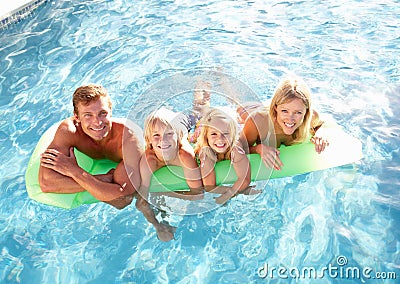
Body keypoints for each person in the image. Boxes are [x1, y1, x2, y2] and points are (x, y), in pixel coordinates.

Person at [39, 84, 174, 241]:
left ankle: (159, 223)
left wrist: (74, 171)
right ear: (76, 116)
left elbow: (122, 199)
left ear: (111, 111)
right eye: (88, 115)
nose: (97, 123)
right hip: (104, 173)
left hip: (133, 160)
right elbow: (46, 183)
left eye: (102, 113)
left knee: (138, 196)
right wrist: (101, 179)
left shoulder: (128, 136)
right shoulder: (69, 131)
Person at [240, 77, 329, 170]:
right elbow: (239, 149)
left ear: (306, 112)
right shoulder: (257, 121)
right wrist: (259, 148)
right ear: (276, 108)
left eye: (298, 112)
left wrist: (320, 133)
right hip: (248, 111)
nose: (290, 119)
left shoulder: (311, 117)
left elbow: (322, 124)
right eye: (284, 111)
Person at [140, 107, 203, 194]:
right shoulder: (149, 159)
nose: (163, 140)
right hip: (175, 123)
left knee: (200, 112)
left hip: (185, 121)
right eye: (156, 135)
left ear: (177, 136)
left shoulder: (184, 155)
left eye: (169, 134)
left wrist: (168, 195)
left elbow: (198, 193)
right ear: (148, 139)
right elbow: (142, 196)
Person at [194, 108, 251, 204]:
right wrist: (240, 191)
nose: (220, 139)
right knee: (200, 111)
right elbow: (209, 187)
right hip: (200, 130)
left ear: (232, 135)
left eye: (225, 134)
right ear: (206, 137)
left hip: (233, 126)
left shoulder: (235, 148)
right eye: (214, 134)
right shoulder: (205, 152)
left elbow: (245, 178)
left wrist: (227, 196)